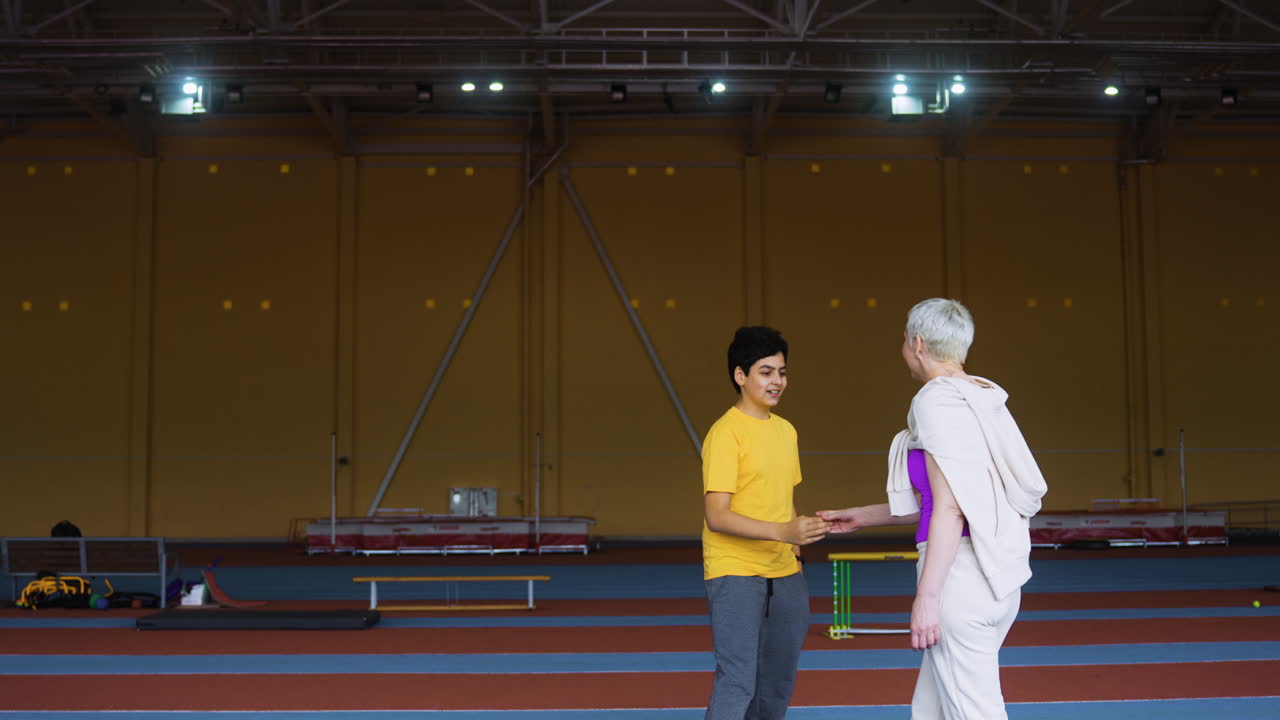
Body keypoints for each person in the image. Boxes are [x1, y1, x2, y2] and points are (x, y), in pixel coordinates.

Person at [818, 298, 1048, 720]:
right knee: (931, 710)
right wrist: (864, 516)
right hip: (999, 581)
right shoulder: (984, 401)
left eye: (905, 341)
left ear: (918, 344)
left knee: (974, 714)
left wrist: (927, 597)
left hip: (959, 584)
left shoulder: (935, 401)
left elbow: (950, 509)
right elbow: (944, 501)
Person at [702, 325, 829, 720]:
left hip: (785, 572)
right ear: (740, 376)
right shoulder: (725, 434)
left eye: (782, 372)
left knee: (777, 682)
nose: (777, 381)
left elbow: (783, 501)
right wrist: (782, 532)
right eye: (766, 371)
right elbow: (716, 515)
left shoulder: (785, 431)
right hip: (735, 571)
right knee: (738, 679)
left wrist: (798, 537)